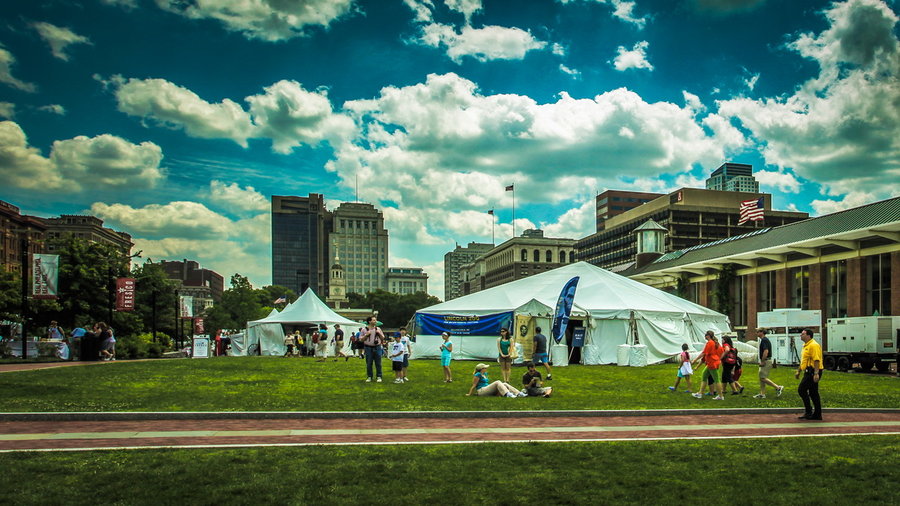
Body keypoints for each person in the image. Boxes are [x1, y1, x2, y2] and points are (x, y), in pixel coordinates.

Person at [795, 328, 824, 420]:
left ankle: (809, 411)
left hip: (812, 371)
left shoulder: (813, 345)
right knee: (813, 392)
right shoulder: (806, 345)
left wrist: (816, 373)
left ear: (808, 336)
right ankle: (817, 414)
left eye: (803, 334)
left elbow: (816, 360)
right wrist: (799, 371)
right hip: (807, 370)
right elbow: (804, 360)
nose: (801, 335)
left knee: (802, 390)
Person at [753, 328, 784, 399]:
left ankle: (778, 387)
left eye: (757, 332)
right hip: (766, 360)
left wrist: (763, 361)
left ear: (762, 332)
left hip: (766, 361)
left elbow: (766, 351)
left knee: (763, 378)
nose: (756, 333)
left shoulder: (764, 340)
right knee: (761, 378)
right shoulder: (764, 340)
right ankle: (762, 394)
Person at [692, 331, 724, 400]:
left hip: (712, 363)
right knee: (704, 376)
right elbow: (721, 352)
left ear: (708, 336)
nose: (705, 336)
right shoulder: (716, 343)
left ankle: (721, 396)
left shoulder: (710, 343)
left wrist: (695, 360)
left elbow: (703, 353)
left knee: (716, 379)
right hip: (713, 362)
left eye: (706, 335)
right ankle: (700, 393)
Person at [362, 316, 385, 382]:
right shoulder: (364, 329)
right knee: (369, 363)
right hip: (368, 347)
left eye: (375, 320)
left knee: (378, 363)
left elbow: (382, 338)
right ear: (369, 321)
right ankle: (369, 376)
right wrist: (366, 335)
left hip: (377, 347)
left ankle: (379, 376)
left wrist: (379, 333)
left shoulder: (378, 329)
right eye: (374, 320)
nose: (375, 321)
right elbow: (361, 339)